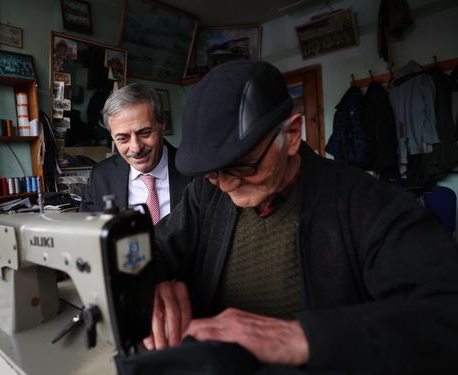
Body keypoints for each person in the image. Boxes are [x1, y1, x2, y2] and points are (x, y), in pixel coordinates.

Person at [144, 60, 458, 373]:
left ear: (292, 134)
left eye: (243, 165)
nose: (226, 185)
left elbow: (443, 312)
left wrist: (301, 336)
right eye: (212, 171)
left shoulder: (367, 203)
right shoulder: (206, 192)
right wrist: (149, 285)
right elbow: (152, 250)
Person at [79, 83, 192, 222]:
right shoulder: (100, 177)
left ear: (163, 124)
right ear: (112, 136)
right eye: (123, 138)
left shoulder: (195, 171)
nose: (136, 148)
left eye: (144, 133)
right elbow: (88, 234)